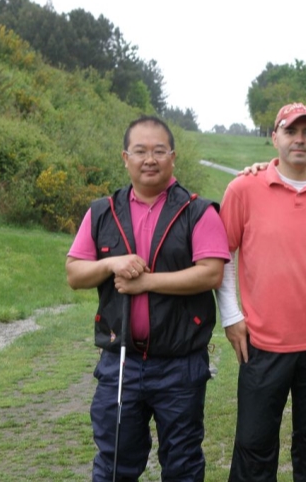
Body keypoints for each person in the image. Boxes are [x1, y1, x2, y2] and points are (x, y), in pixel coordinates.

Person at [65, 115, 230, 482]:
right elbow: (75, 273)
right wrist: (110, 264)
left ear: (173, 157)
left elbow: (210, 273)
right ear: (125, 158)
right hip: (120, 362)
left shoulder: (198, 211)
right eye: (140, 151)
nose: (149, 159)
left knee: (183, 465)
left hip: (180, 364)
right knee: (114, 465)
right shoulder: (101, 211)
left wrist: (146, 283)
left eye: (159, 151)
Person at [215, 102, 306, 481]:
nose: (300, 140)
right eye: (291, 131)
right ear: (274, 136)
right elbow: (225, 255)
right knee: (254, 447)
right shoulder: (243, 188)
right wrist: (231, 317)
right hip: (263, 342)